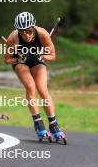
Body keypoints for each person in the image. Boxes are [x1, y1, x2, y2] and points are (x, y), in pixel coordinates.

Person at [4, 12, 66, 140]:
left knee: (42, 90)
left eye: (29, 31)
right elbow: (7, 59)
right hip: (21, 62)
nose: (26, 35)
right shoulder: (13, 37)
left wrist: (42, 56)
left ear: (33, 27)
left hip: (37, 59)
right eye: (22, 32)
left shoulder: (42, 34)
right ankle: (38, 122)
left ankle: (53, 124)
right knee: (31, 87)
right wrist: (19, 58)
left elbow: (53, 55)